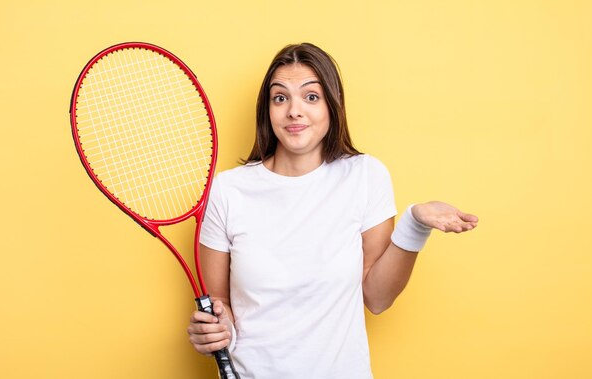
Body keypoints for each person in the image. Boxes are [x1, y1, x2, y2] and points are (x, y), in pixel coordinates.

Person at [187, 42, 478, 378]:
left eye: (311, 97)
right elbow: (222, 307)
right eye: (280, 97)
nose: (294, 111)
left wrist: (414, 224)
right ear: (267, 109)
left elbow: (377, 298)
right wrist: (216, 330)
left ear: (332, 106)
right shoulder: (229, 190)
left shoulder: (365, 175)